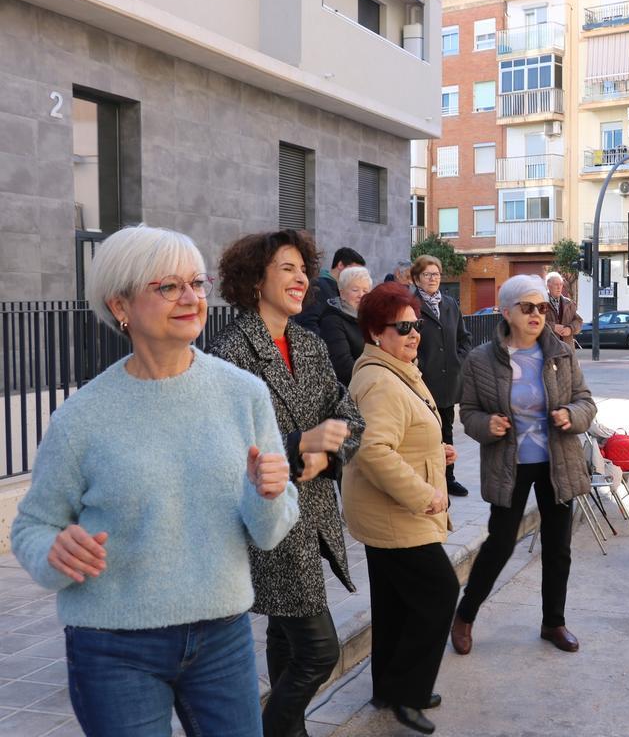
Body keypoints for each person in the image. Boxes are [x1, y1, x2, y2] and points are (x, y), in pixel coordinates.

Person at [11, 225, 299, 736]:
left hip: (222, 636)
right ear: (119, 304)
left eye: (197, 283)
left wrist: (268, 494)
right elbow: (32, 526)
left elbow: (271, 529)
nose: (191, 298)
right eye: (168, 287)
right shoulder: (82, 417)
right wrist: (54, 550)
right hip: (113, 645)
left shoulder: (243, 394)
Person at [210, 230, 365, 737]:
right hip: (269, 518)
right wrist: (303, 443)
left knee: (285, 636)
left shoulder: (309, 343)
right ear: (256, 279)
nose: (301, 279)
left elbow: (349, 417)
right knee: (321, 651)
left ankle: (288, 730)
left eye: (304, 269)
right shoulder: (231, 350)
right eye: (287, 268)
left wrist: (329, 455)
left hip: (313, 511)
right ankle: (270, 728)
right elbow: (228, 447)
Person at [451, 275, 597, 655]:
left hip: (557, 462)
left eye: (542, 308)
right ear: (506, 312)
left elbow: (586, 401)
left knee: (558, 547)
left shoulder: (561, 352)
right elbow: (468, 413)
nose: (537, 314)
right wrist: (488, 425)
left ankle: (554, 622)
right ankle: (465, 615)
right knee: (499, 544)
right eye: (527, 307)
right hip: (509, 464)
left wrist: (570, 413)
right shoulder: (481, 359)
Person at [344, 282, 459, 736]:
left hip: (385, 512)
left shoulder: (391, 369)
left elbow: (398, 437)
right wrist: (424, 494)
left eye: (416, 325)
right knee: (439, 594)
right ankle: (408, 692)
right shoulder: (380, 380)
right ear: (376, 332)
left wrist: (436, 455)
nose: (415, 334)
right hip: (396, 514)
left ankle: (388, 687)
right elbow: (373, 450)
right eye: (403, 327)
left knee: (393, 603)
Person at [412, 254, 473, 498]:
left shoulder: (449, 304)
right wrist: (420, 366)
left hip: (448, 382)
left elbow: (464, 337)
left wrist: (459, 359)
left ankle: (448, 478)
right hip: (423, 382)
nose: (432, 278)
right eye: (427, 274)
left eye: (436, 274)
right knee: (425, 435)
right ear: (417, 279)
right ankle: (429, 482)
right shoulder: (411, 304)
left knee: (446, 432)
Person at [320, 265, 371, 387]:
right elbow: (343, 366)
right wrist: (373, 379)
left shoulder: (370, 318)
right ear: (342, 293)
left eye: (365, 291)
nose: (361, 295)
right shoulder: (332, 320)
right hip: (352, 391)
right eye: (355, 290)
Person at [294, 246, 365, 333]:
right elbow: (308, 321)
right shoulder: (320, 286)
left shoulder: (336, 288)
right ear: (340, 265)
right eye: (355, 271)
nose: (357, 276)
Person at [545, 271, 583, 344]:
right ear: (548, 285)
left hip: (567, 349)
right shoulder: (541, 303)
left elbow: (579, 321)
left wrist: (570, 329)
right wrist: (553, 327)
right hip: (549, 349)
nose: (559, 287)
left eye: (561, 284)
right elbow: (536, 323)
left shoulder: (569, 303)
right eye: (556, 284)